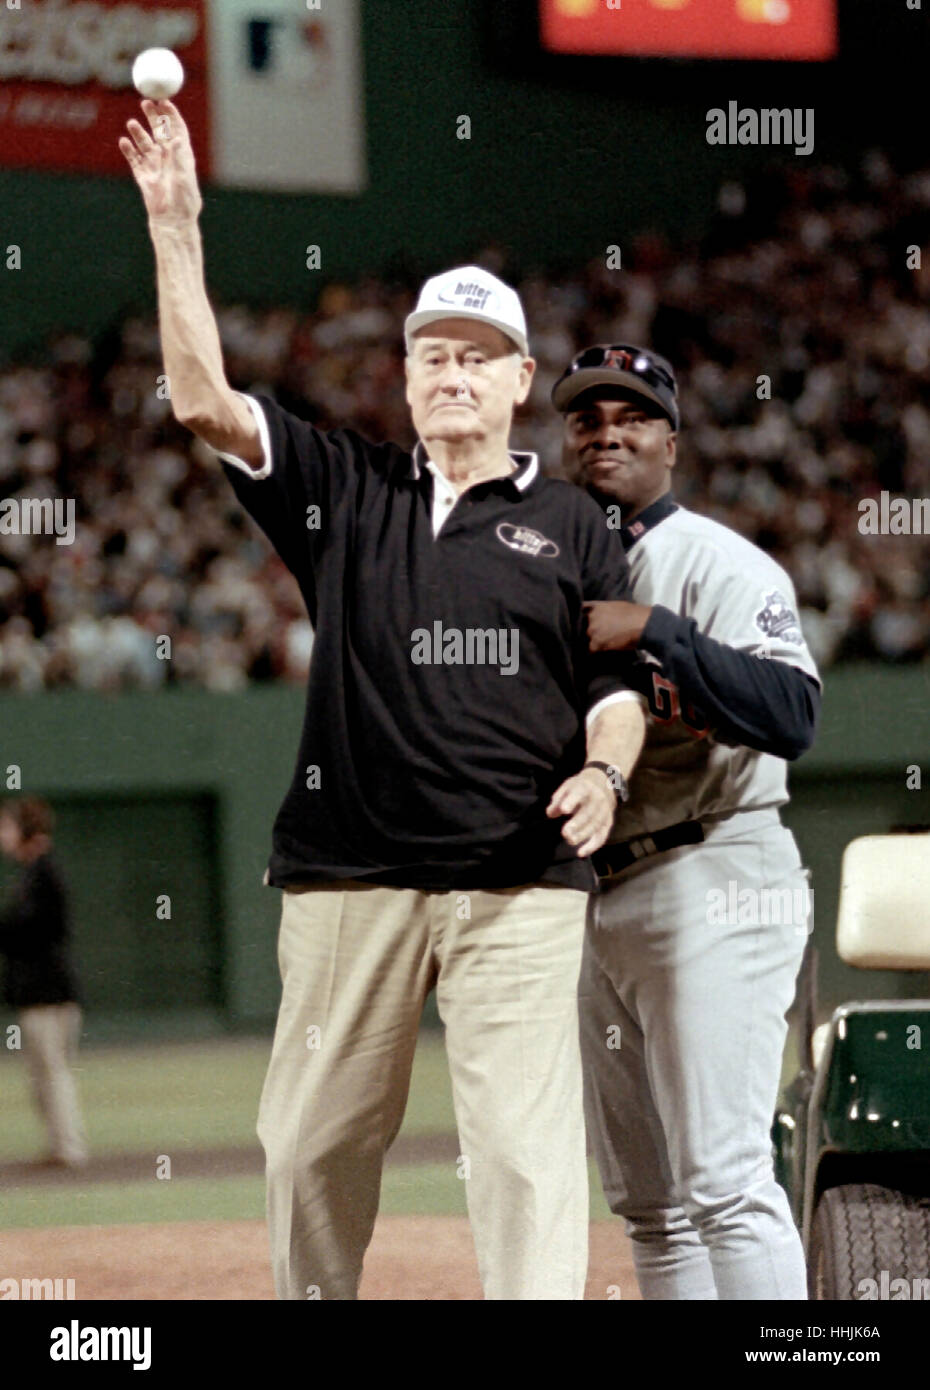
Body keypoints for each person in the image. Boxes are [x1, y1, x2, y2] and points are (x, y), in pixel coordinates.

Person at [120, 100, 647, 1300]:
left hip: (519, 883)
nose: (451, 371)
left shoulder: (577, 525)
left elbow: (617, 687)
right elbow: (202, 401)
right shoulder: (343, 492)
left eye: (476, 354)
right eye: (430, 354)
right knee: (306, 1146)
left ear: (522, 379)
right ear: (404, 378)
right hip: (350, 877)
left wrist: (606, 772)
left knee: (520, 1158)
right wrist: (175, 226)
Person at [553, 343, 822, 1300]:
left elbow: (792, 716)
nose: (608, 433)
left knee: (727, 1185)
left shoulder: (716, 562)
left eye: (631, 417)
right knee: (651, 1203)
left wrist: (659, 631)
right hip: (598, 894)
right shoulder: (557, 568)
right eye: (589, 419)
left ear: (671, 438)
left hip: (716, 873)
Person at [0, 797, 87, 1169]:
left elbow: (40, 931)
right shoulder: (33, 873)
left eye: (6, 826)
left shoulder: (45, 873)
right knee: (42, 1077)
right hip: (37, 994)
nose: (2, 835)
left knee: (53, 1072)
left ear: (25, 829)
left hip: (50, 995)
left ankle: (70, 1148)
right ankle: (60, 1146)